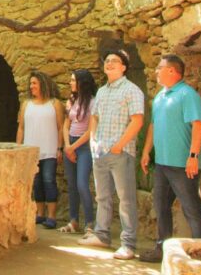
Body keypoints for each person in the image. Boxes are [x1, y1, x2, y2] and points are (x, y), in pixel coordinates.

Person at [138, 54, 201, 263]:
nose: (156, 71)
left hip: (182, 164)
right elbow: (153, 125)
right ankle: (162, 249)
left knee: (191, 209)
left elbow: (198, 124)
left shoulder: (187, 95)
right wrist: (146, 152)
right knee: (160, 207)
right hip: (162, 163)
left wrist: (193, 157)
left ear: (172, 71)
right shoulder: (161, 96)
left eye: (159, 67)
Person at [77, 50, 144, 261]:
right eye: (107, 61)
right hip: (100, 151)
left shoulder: (132, 90)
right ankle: (102, 235)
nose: (109, 64)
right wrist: (94, 141)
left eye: (114, 61)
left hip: (121, 153)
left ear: (124, 67)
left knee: (125, 199)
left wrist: (119, 145)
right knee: (102, 196)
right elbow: (94, 118)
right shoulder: (102, 92)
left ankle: (128, 244)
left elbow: (137, 121)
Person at [16, 71, 65, 230]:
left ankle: (51, 216)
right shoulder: (26, 104)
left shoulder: (54, 104)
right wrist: (18, 148)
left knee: (49, 180)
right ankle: (40, 214)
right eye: (30, 84)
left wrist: (60, 148)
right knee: (36, 183)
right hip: (31, 151)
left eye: (34, 83)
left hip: (50, 150)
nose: (32, 87)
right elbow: (21, 128)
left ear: (43, 84)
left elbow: (60, 128)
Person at [57, 69, 98, 234]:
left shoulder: (93, 102)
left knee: (82, 184)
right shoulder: (71, 101)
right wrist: (67, 145)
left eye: (73, 80)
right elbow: (66, 125)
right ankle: (73, 221)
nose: (70, 83)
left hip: (84, 146)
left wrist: (73, 147)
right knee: (72, 185)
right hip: (70, 144)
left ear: (82, 83)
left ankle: (90, 224)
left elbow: (90, 130)